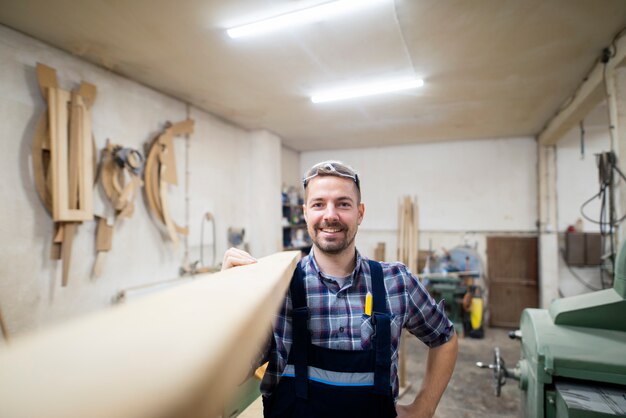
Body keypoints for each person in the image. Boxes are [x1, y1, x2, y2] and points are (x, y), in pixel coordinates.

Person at [222, 161, 458, 418]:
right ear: (305, 213)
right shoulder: (279, 287)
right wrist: (229, 299)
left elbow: (444, 338)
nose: (330, 215)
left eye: (343, 204)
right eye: (318, 204)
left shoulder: (396, 282)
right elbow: (232, 374)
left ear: (360, 213)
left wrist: (424, 408)